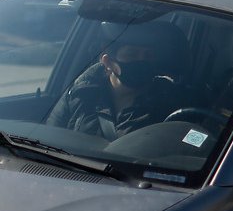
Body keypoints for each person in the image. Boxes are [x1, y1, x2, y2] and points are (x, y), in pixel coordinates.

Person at [45, 20, 189, 140]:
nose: (141, 61)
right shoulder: (79, 94)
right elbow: (50, 140)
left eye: (148, 55)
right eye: (131, 54)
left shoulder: (173, 104)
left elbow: (195, 145)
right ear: (108, 62)